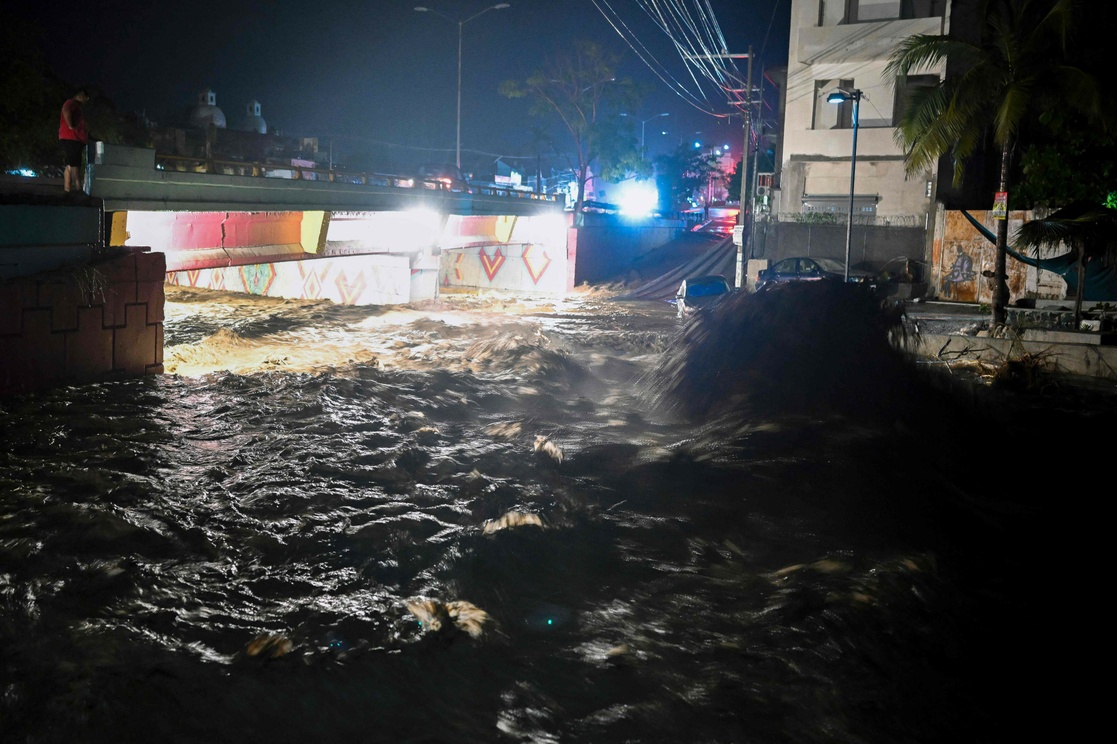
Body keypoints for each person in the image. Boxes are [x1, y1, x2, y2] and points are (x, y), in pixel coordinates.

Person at [59, 88, 90, 196]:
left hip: (76, 139)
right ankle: (78, 189)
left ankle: (67, 190)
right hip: (72, 138)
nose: (85, 102)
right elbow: (66, 110)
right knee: (75, 165)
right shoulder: (71, 103)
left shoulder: (77, 108)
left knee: (70, 164)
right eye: (86, 99)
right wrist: (70, 125)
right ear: (81, 96)